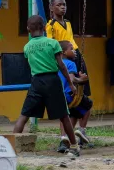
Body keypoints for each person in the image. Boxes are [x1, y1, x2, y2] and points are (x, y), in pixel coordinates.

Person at [13, 15, 79, 157]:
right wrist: (71, 84)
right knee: (64, 116)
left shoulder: (27, 47)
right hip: (52, 81)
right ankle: (74, 146)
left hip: (36, 81)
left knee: (24, 115)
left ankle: (10, 147)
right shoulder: (52, 43)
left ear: (28, 29)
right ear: (44, 27)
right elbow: (61, 65)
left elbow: (30, 63)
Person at [45, 0, 89, 96]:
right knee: (69, 82)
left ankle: (81, 100)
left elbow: (70, 38)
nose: (62, 7)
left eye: (64, 5)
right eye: (58, 5)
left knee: (84, 81)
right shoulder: (51, 25)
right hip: (64, 55)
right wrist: (66, 53)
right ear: (51, 8)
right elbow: (50, 45)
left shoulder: (68, 23)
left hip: (75, 53)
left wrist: (73, 52)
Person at [58, 41, 93, 147]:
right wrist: (81, 79)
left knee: (66, 115)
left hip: (58, 95)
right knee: (88, 106)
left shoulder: (55, 63)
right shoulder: (70, 63)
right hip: (69, 94)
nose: (75, 51)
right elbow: (72, 79)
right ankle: (81, 132)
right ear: (64, 52)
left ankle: (64, 139)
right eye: (71, 49)